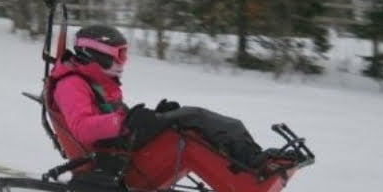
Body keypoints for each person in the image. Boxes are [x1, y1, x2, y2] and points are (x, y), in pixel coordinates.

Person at [50, 24, 271, 171]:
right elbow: (82, 127)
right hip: (111, 151)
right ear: (97, 55)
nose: (122, 62)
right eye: (119, 55)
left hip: (121, 139)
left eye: (124, 54)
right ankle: (250, 165)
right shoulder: (71, 84)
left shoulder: (98, 80)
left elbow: (109, 112)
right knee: (193, 117)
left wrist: (154, 115)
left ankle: (249, 160)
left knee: (190, 122)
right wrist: (125, 121)